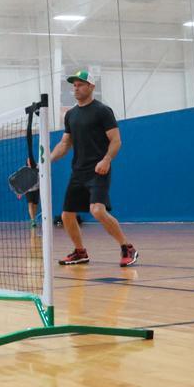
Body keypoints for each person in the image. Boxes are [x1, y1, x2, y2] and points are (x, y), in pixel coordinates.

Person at [50, 70, 138, 267]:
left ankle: (127, 247)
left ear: (91, 87)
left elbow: (116, 141)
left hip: (99, 170)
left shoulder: (102, 111)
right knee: (67, 216)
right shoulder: (71, 115)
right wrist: (47, 159)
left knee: (97, 210)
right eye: (74, 85)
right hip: (78, 172)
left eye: (80, 84)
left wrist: (106, 159)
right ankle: (80, 252)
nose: (76, 88)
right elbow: (65, 144)